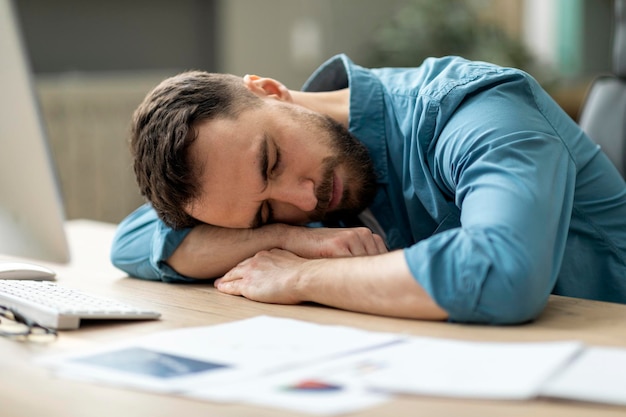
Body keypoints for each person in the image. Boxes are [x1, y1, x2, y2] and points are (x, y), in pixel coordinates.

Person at [111, 54, 626, 325]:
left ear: (269, 91)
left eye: (272, 163)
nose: (305, 201)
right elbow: (131, 241)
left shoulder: (471, 109)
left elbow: (500, 273)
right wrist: (293, 240)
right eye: (267, 214)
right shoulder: (289, 203)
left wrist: (302, 277)